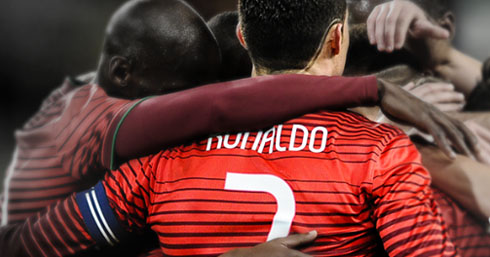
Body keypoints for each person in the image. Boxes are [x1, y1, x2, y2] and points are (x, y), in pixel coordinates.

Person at [1, 0, 459, 256]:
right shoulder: (382, 153)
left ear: (242, 36)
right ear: (337, 39)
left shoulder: (162, 158)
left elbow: (30, 248)